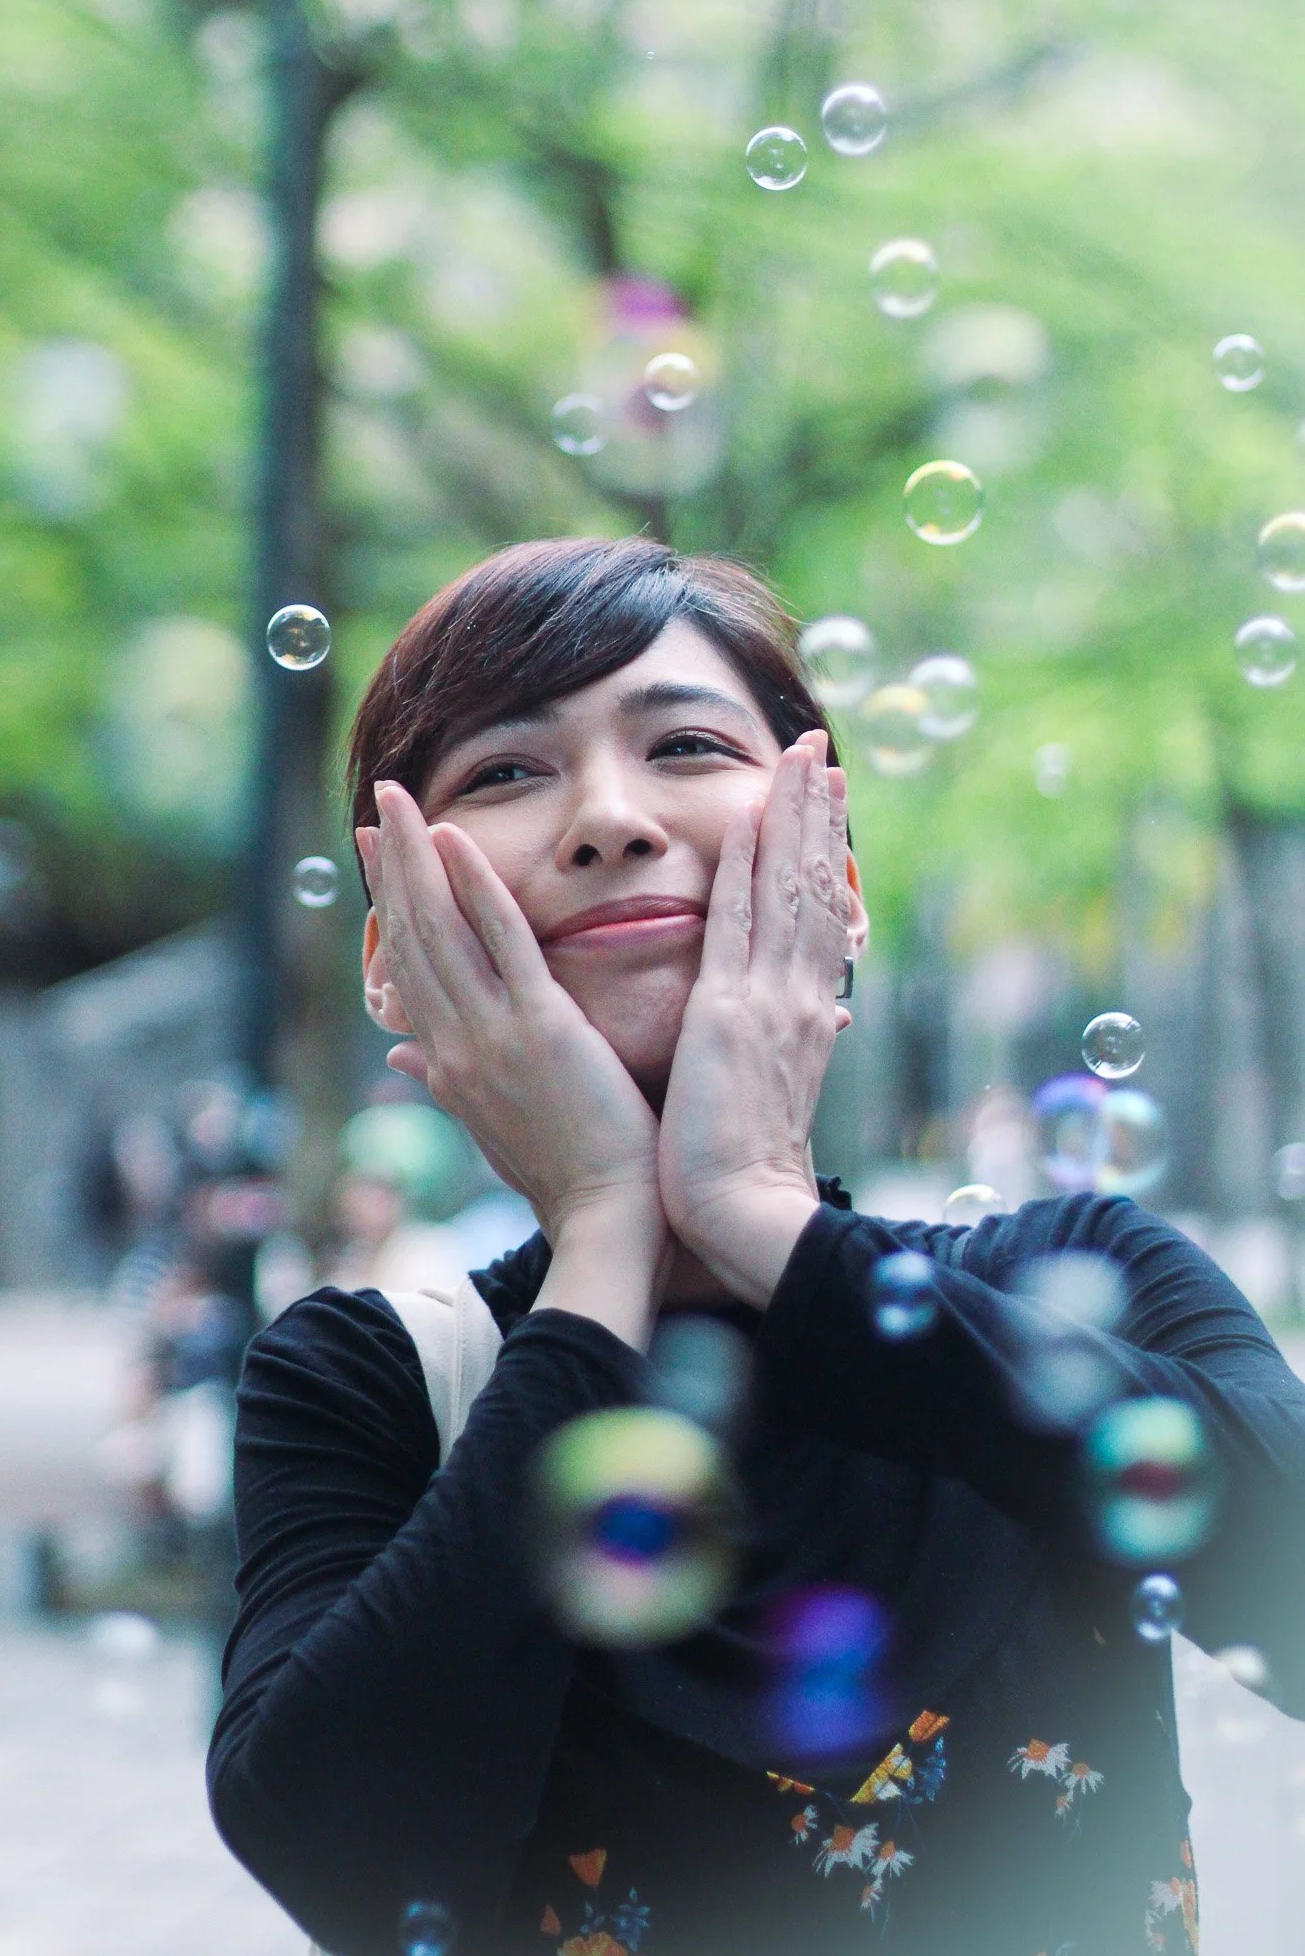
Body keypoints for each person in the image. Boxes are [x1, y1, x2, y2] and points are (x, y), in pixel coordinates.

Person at [207, 536, 1305, 1956]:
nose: (608, 817)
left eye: (684, 744)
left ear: (835, 883)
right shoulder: (364, 1385)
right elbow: (335, 1853)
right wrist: (604, 1236)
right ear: (389, 955)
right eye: (507, 773)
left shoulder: (1080, 1280)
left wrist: (753, 1211)